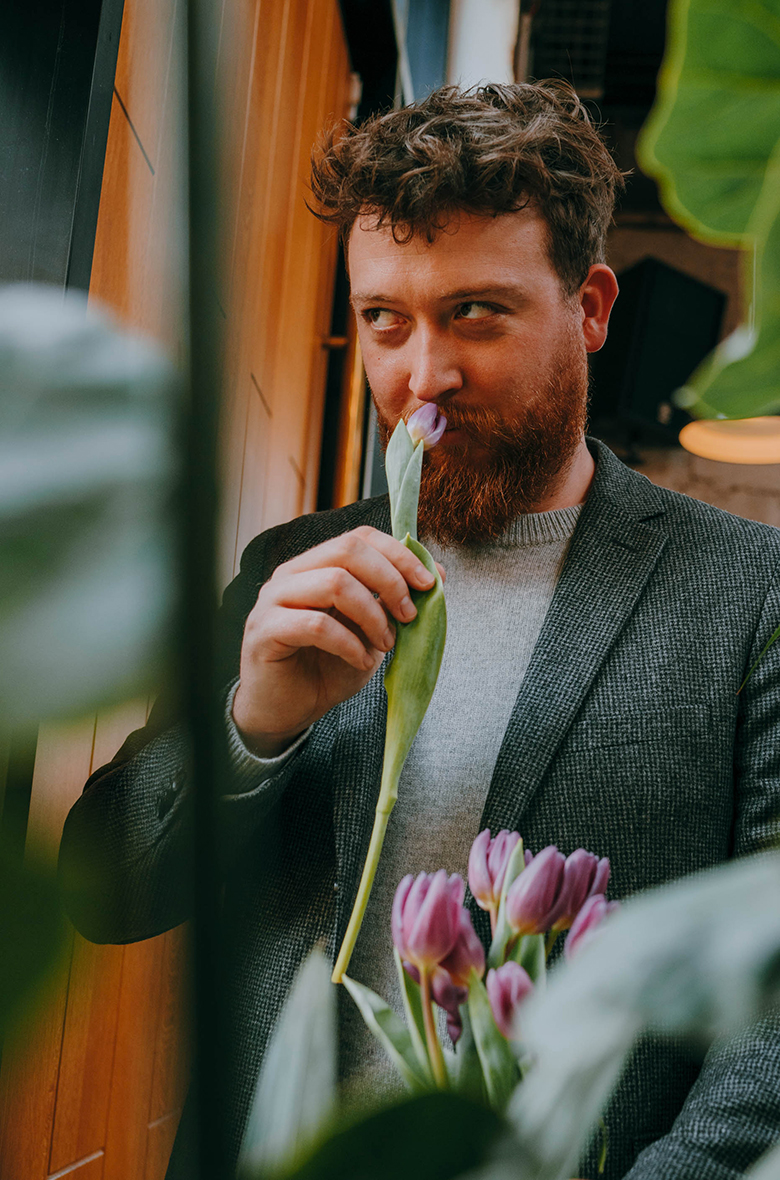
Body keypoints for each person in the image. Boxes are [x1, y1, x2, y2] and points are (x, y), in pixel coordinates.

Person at [59, 82, 780, 1179]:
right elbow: (104, 895)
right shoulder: (287, 566)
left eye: (475, 313)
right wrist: (249, 728)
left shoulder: (751, 592)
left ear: (589, 307)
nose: (420, 377)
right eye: (384, 319)